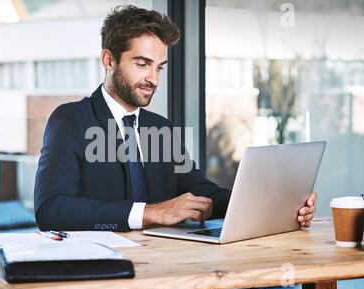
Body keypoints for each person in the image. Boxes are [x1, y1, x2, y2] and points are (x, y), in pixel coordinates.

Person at [34, 5, 316, 232]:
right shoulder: (71, 120)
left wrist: (271, 204)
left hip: (167, 268)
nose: (153, 79)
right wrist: (153, 213)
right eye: (142, 64)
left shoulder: (161, 128)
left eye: (160, 68)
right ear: (109, 60)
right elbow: (51, 209)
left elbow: (200, 191)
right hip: (103, 277)